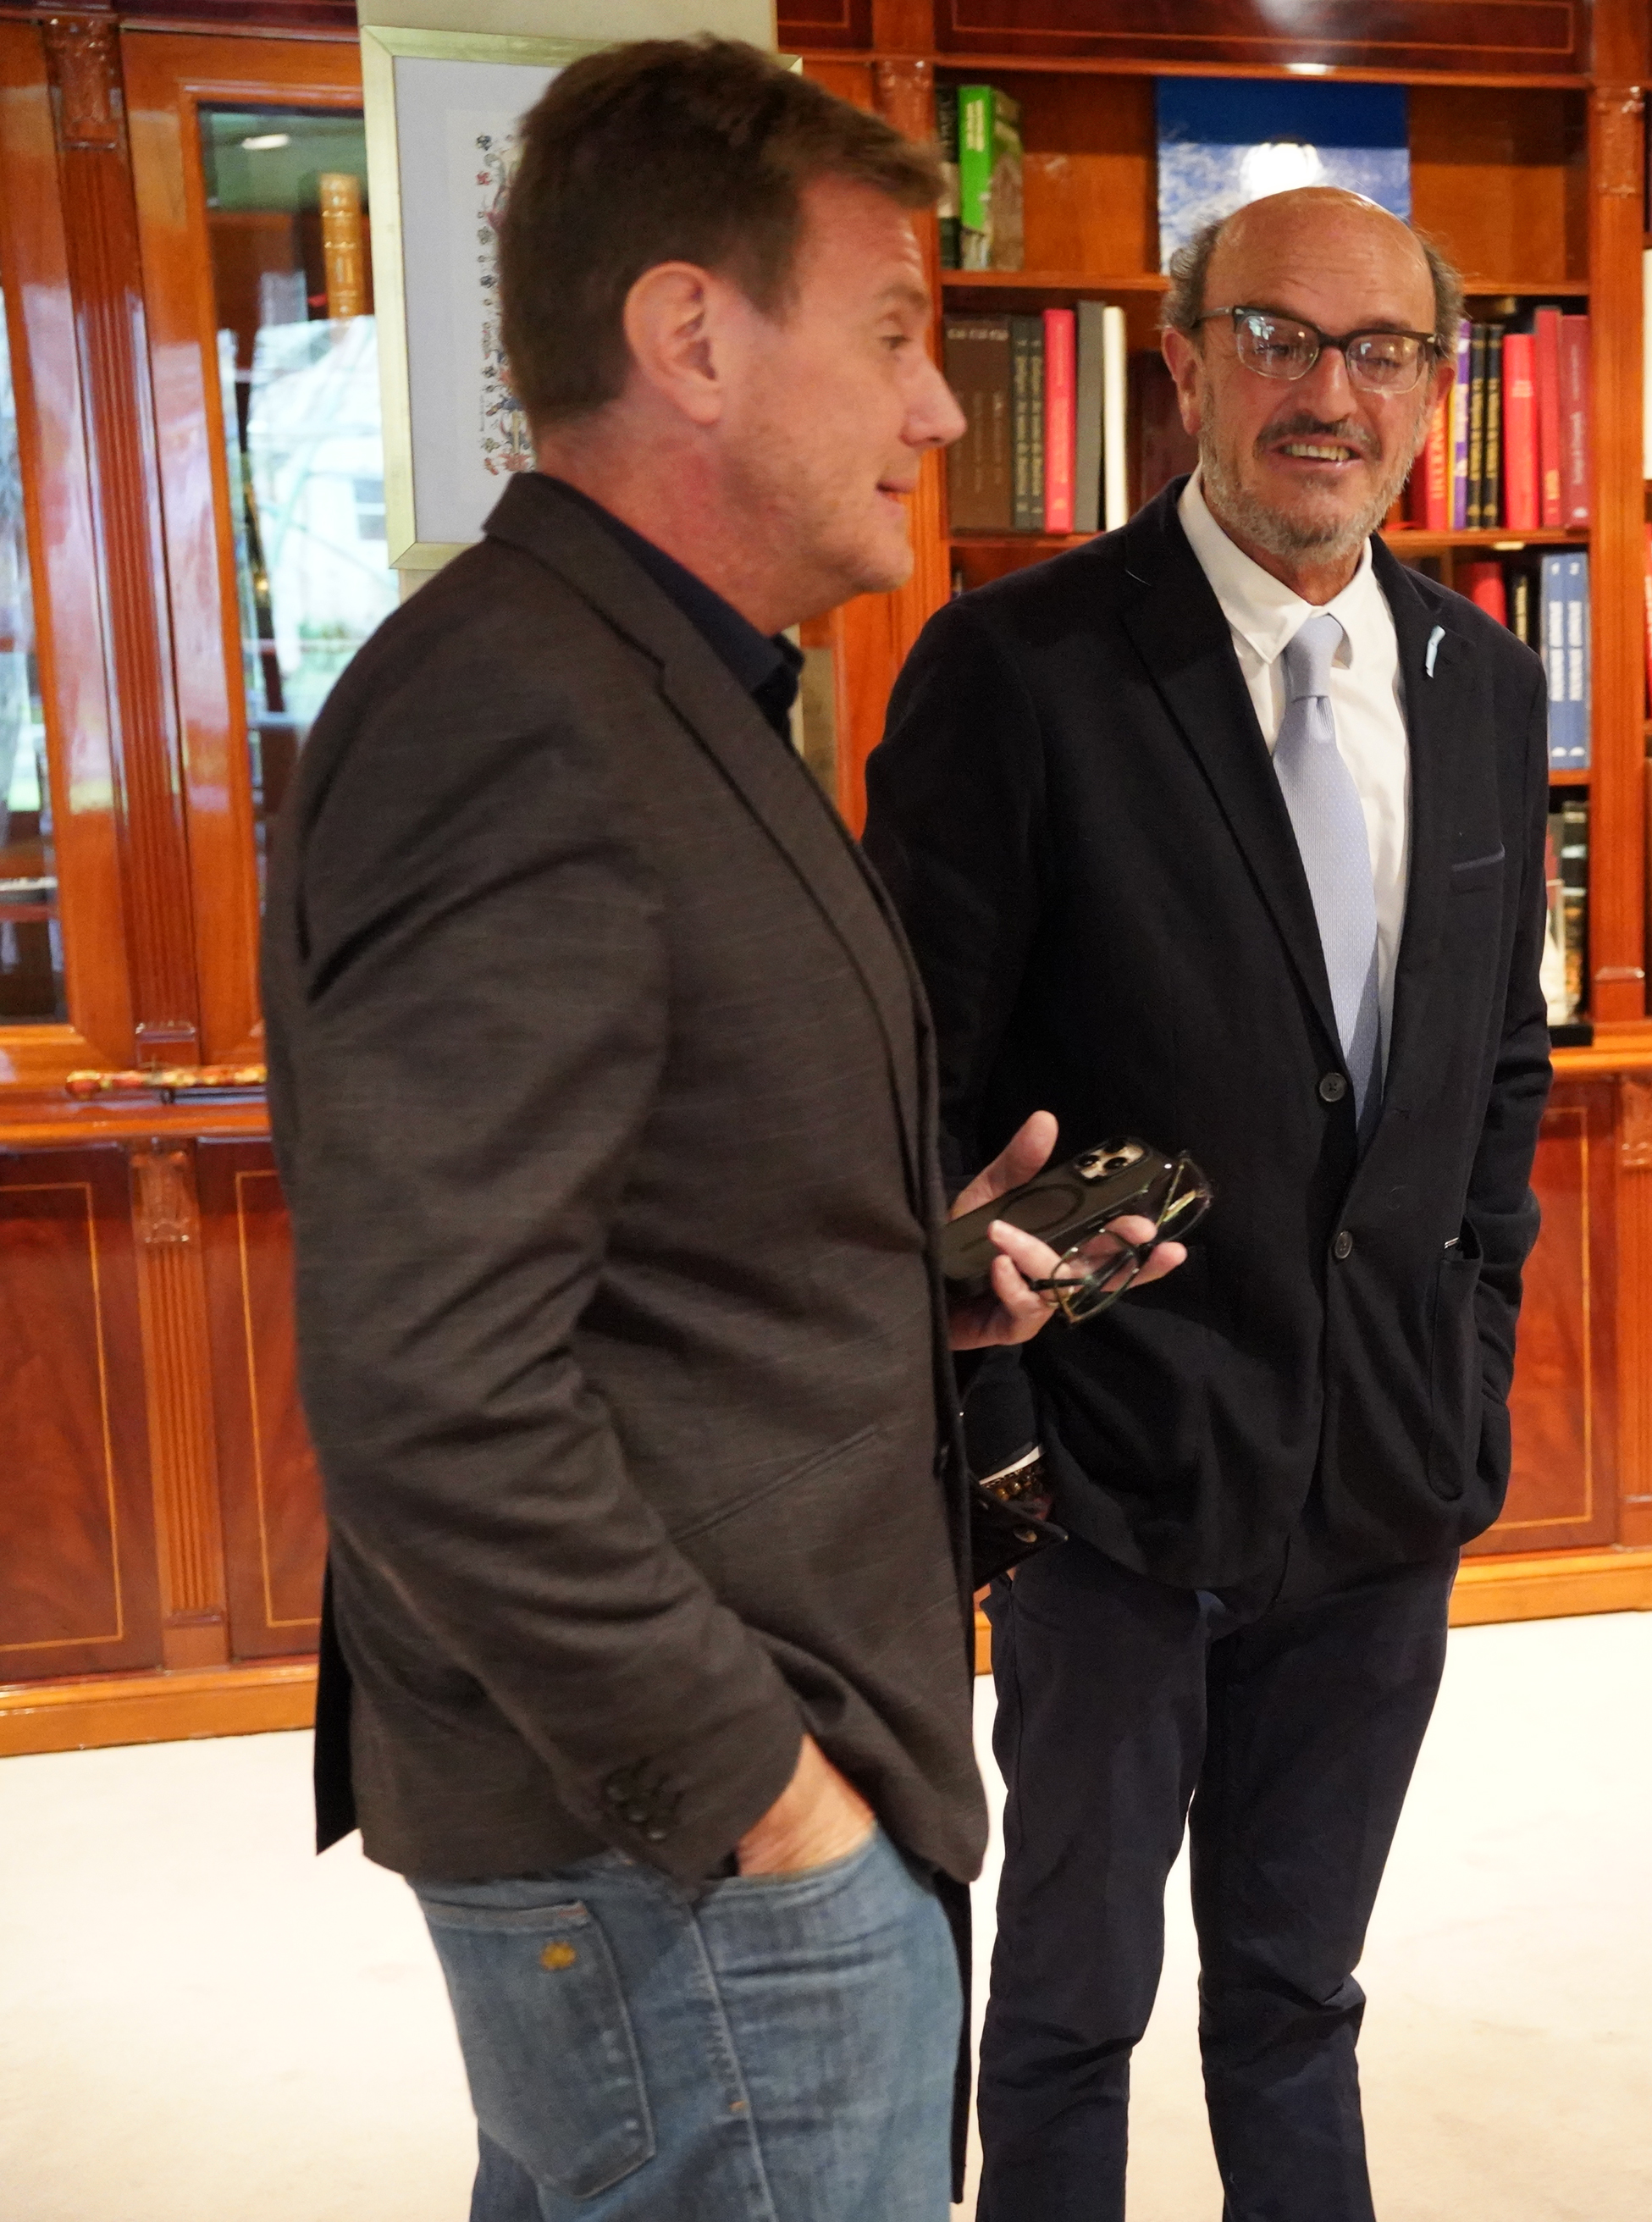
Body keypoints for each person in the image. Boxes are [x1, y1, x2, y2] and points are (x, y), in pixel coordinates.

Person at [263, 40, 1177, 2217]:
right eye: (895, 334)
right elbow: (430, 1387)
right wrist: (764, 1794)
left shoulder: (659, 684)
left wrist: (908, 1281)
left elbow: (625, 1251)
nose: (938, 409)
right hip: (688, 1846)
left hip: (712, 1820)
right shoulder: (524, 717)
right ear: (691, 337)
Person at [862, 184, 1552, 2220]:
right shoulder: (1018, 666)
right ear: (1182, 365)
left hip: (1387, 1476)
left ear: (1435, 388)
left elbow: (1496, 1065)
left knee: (1297, 1991)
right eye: (1276, 338)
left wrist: (1473, 1359)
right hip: (1113, 1484)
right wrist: (1002, 1430)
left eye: (1381, 350)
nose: (1329, 393)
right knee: (1072, 2001)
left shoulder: (1482, 679)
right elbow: (916, 1093)